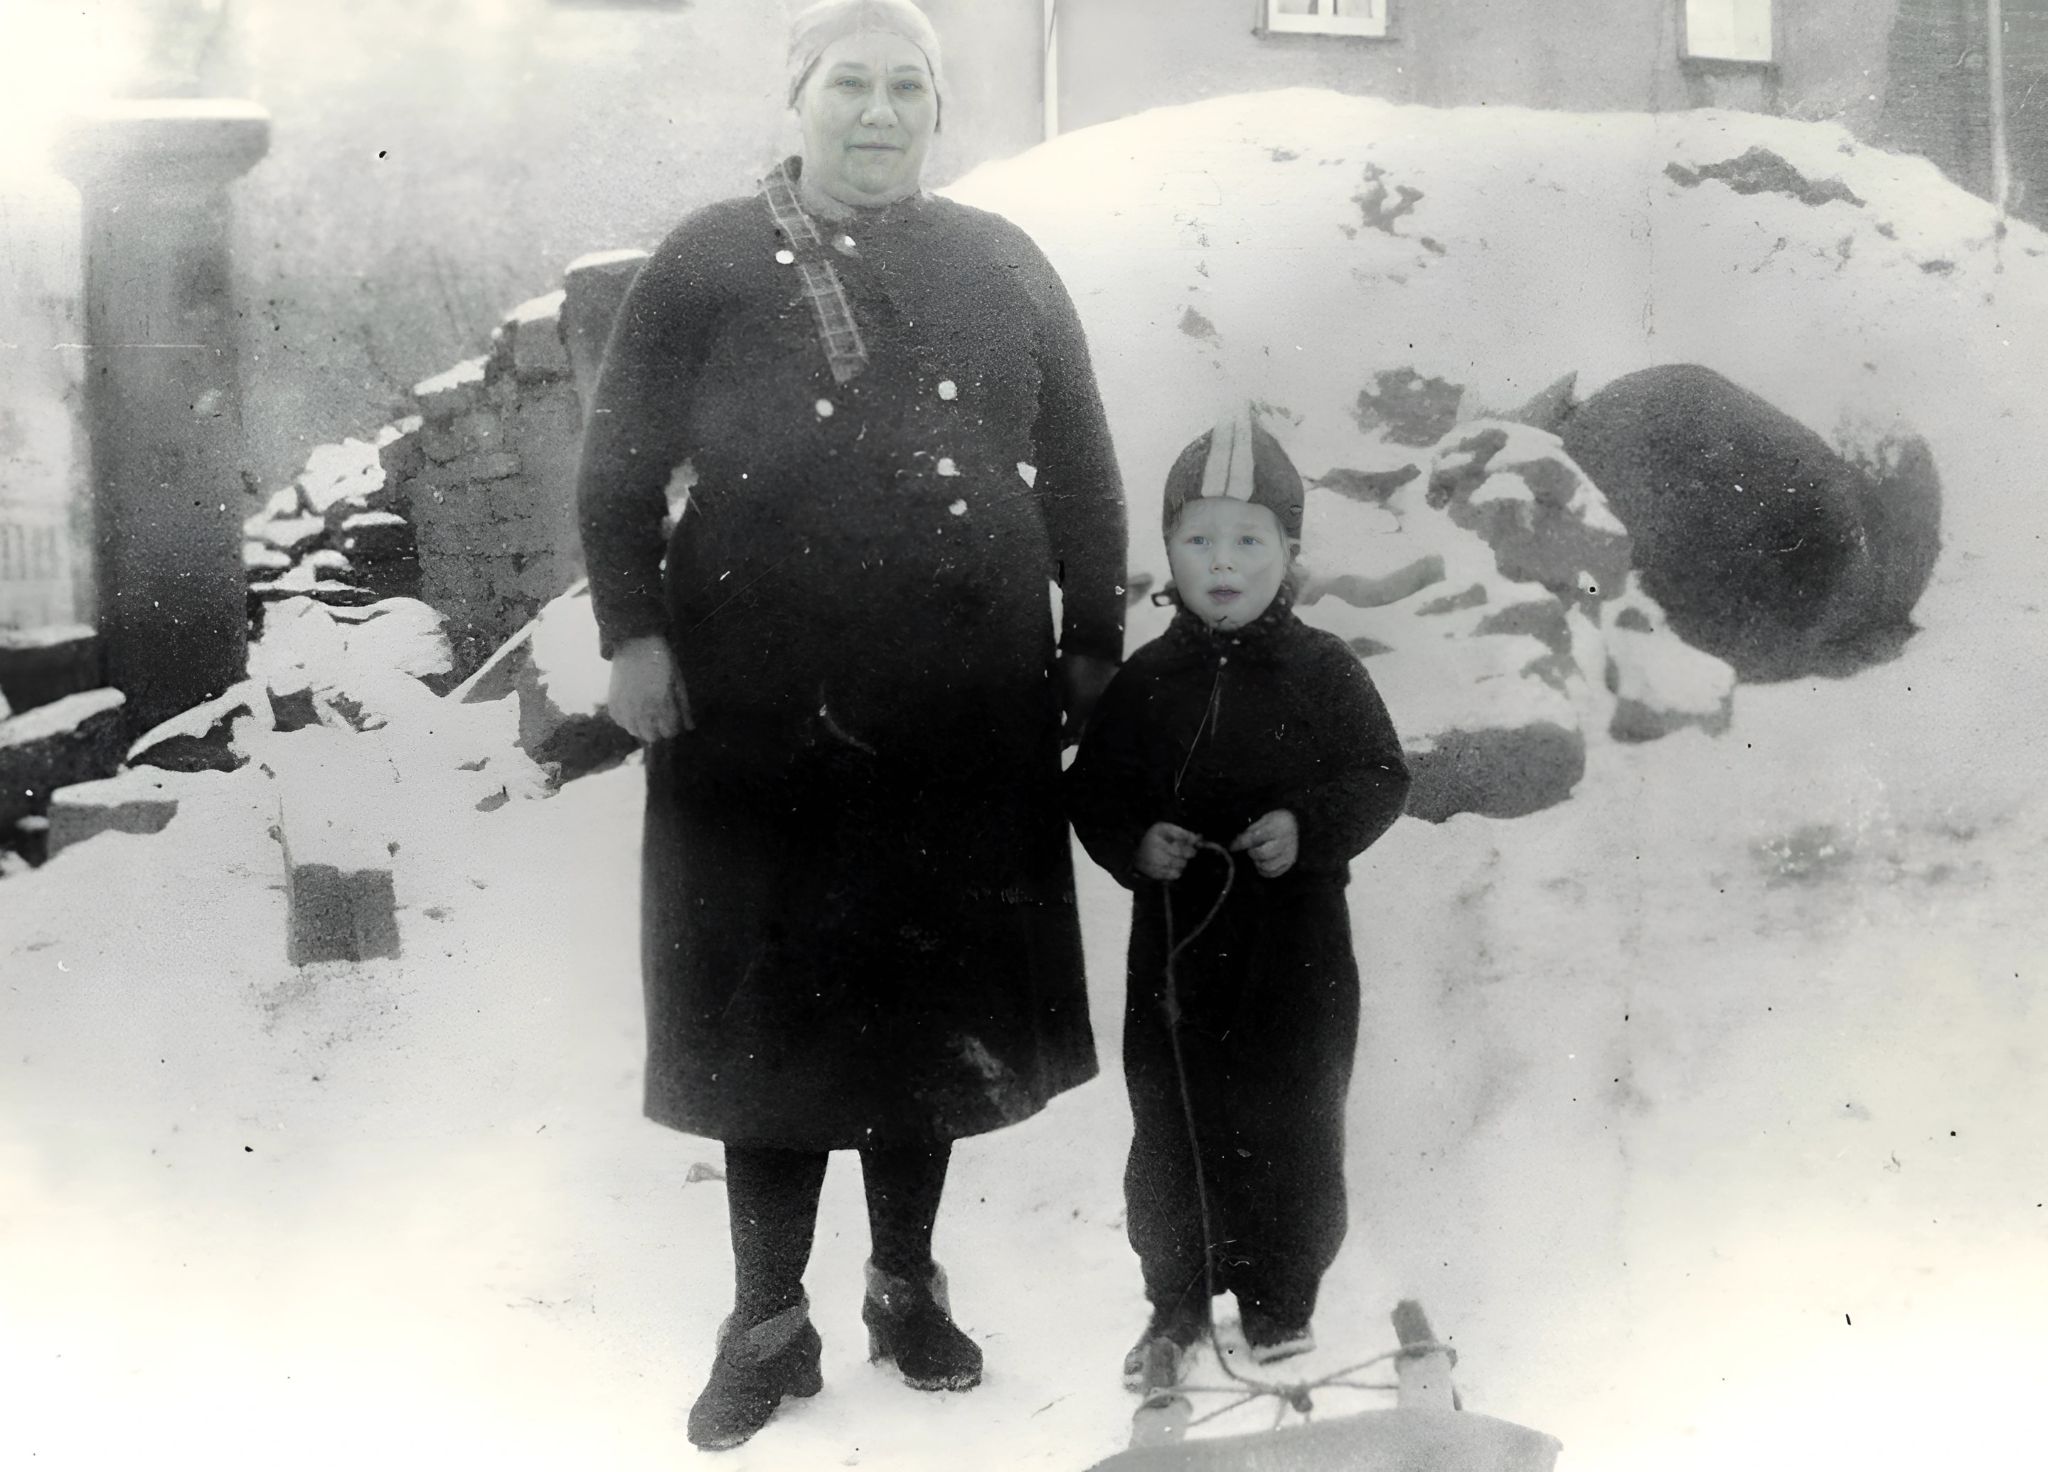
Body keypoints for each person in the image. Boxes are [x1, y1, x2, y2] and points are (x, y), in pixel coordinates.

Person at [573, 0, 1126, 1451]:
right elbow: (618, 466)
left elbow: (1079, 458)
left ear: (937, 113)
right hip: (758, 720)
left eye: (907, 88)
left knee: (926, 1007)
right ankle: (766, 1321)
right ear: (797, 97)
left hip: (961, 709)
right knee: (769, 1019)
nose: (877, 113)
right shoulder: (703, 259)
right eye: (849, 85)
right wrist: (631, 635)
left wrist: (1094, 643)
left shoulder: (1004, 262)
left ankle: (902, 1289)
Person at [1066, 409, 1410, 1397]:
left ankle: (1279, 1298)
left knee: (1296, 1119)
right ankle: (1173, 1300)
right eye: (1197, 539)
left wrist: (1308, 825)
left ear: (1289, 551)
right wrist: (1136, 839)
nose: (1222, 562)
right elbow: (1091, 789)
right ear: (1167, 550)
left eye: (1249, 539)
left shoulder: (1325, 672)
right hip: (1175, 964)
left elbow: (1378, 774)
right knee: (1171, 1128)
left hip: (1295, 956)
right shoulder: (1143, 683)